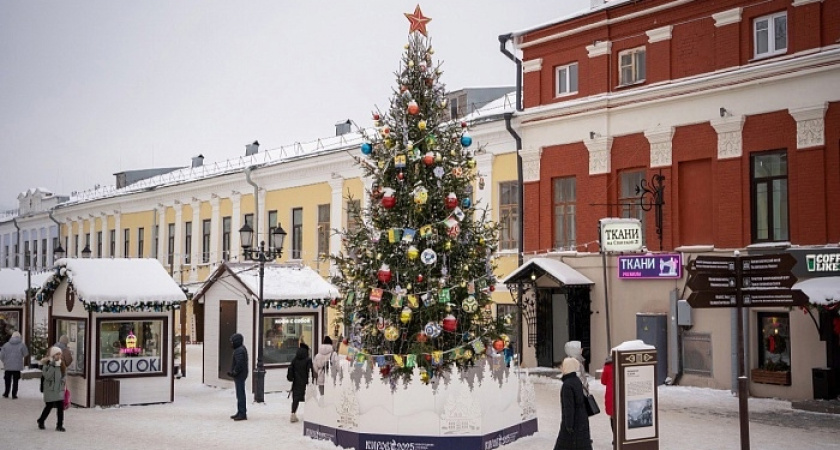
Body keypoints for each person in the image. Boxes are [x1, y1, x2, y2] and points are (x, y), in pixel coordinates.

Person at [554, 357, 592, 450]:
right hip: (581, 421)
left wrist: (568, 425)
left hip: (573, 424)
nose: (561, 367)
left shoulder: (567, 385)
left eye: (563, 365)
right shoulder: (576, 381)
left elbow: (569, 407)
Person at [37, 347, 66, 432]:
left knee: (60, 407)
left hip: (58, 389)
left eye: (60, 354)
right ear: (53, 355)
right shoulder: (47, 364)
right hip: (50, 389)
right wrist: (53, 366)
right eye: (57, 354)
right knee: (49, 406)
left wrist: (63, 382)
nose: (59, 356)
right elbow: (47, 376)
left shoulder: (62, 364)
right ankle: (41, 420)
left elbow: (64, 375)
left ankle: (59, 425)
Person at [288, 342, 316, 423]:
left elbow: (291, 370)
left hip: (296, 382)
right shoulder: (308, 360)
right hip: (306, 383)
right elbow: (310, 371)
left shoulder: (295, 359)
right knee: (309, 398)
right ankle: (310, 415)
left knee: (295, 399)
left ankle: (293, 413)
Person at [226, 333, 248, 421]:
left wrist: (234, 372)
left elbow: (239, 363)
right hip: (241, 374)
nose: (231, 344)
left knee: (240, 394)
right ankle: (240, 411)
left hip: (240, 375)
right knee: (240, 394)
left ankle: (242, 412)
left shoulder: (239, 350)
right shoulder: (240, 349)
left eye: (232, 342)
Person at [1, 331, 29, 399]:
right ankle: (14, 394)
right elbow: (26, 354)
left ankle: (6, 393)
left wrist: (4, 361)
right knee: (15, 380)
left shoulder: (6, 345)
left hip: (8, 366)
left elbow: (1, 355)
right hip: (17, 366)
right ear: (19, 337)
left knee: (7, 380)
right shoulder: (22, 345)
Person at [601, 355, 615, 446]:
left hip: (610, 394)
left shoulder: (606, 368)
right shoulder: (619, 367)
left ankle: (615, 436)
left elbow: (603, 381)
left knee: (612, 416)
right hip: (621, 393)